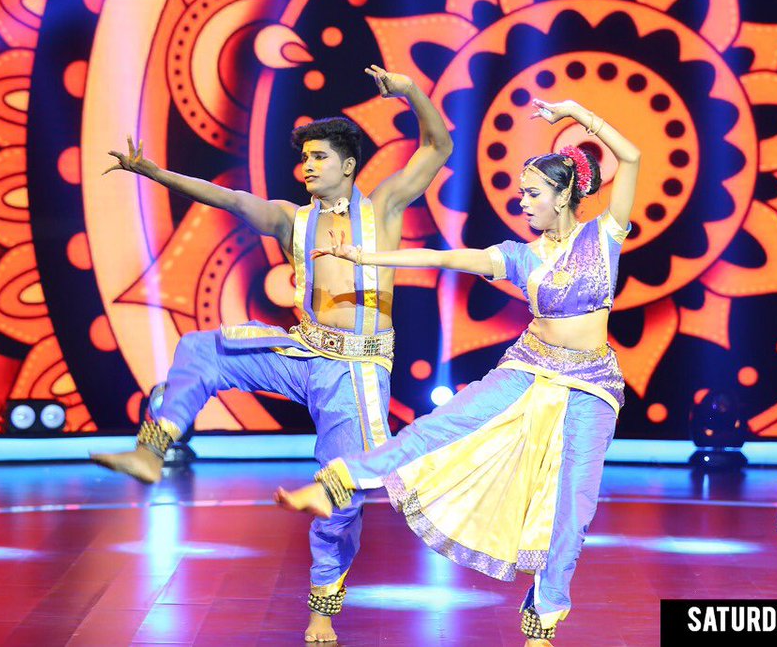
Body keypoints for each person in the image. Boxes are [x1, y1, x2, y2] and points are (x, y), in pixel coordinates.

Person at [91, 65, 452, 643]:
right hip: (302, 351)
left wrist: (410, 91)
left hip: (356, 371)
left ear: (348, 165)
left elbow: (438, 146)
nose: (307, 166)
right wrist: (156, 174)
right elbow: (230, 198)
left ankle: (321, 611)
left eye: (319, 157)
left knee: (339, 494)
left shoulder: (383, 207)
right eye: (304, 157)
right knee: (202, 349)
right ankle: (152, 452)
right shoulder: (292, 219)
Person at [276, 97, 641, 646]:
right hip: (528, 367)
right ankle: (338, 482)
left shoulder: (604, 236)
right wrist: (369, 258)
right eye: (521, 193)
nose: (523, 203)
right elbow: (444, 257)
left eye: (533, 193)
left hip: (592, 387)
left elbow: (630, 158)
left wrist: (577, 114)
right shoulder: (520, 256)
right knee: (436, 429)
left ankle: (543, 623)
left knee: (574, 509)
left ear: (564, 194)